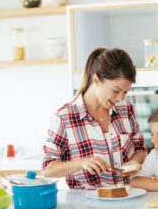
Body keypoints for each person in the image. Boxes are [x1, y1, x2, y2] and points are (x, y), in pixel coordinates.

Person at [42, 48, 147, 189]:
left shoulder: (125, 109)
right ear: (96, 80)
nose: (120, 98)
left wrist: (134, 162)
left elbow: (140, 148)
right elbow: (48, 169)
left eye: (125, 92)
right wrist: (82, 163)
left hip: (129, 198)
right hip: (86, 207)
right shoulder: (64, 117)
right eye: (116, 91)